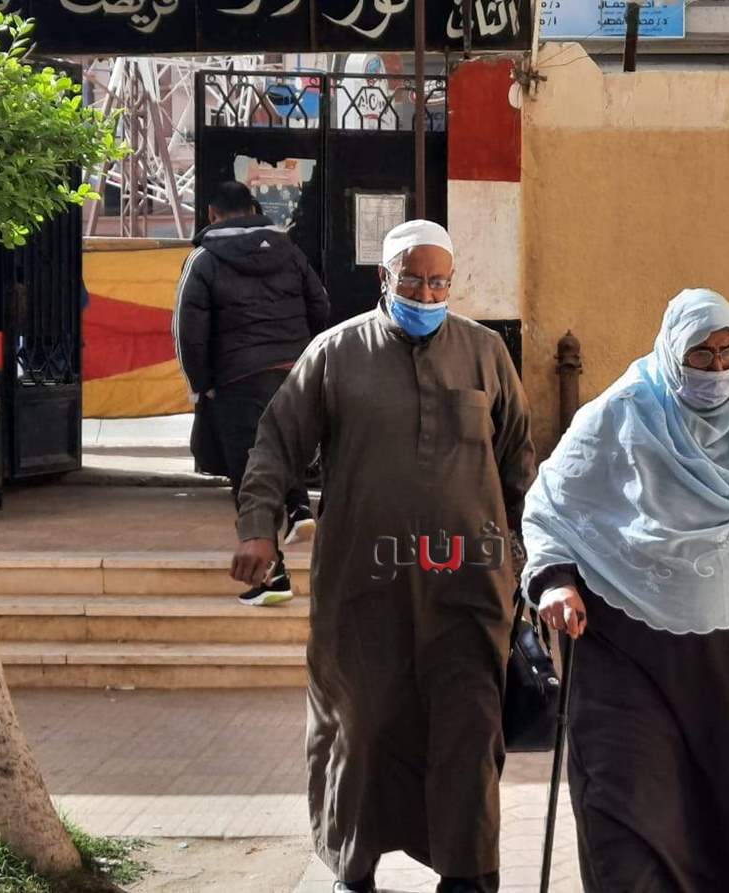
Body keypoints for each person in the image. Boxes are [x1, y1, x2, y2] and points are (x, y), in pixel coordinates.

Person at [229, 220, 535, 893]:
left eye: (438, 282)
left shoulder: (486, 353)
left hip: (469, 590)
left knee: (468, 732)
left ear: (452, 283)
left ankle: (468, 873)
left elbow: (519, 462)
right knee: (357, 730)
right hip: (363, 590)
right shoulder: (335, 353)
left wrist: (532, 558)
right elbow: (276, 442)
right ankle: (354, 869)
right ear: (384, 278)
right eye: (412, 280)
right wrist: (258, 527)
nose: (425, 293)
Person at [522, 288, 729, 893]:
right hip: (629, 658)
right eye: (700, 354)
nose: (716, 369)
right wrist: (555, 582)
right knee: (627, 803)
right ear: (671, 352)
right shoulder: (618, 417)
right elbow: (550, 508)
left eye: (727, 352)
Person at [173, 180, 329, 605]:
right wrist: (305, 358)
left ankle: (273, 580)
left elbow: (188, 329)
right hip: (294, 371)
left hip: (238, 379)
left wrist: (202, 384)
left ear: (211, 214)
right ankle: (297, 507)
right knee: (285, 446)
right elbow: (320, 305)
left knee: (249, 474)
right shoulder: (289, 251)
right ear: (255, 209)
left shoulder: (204, 259)